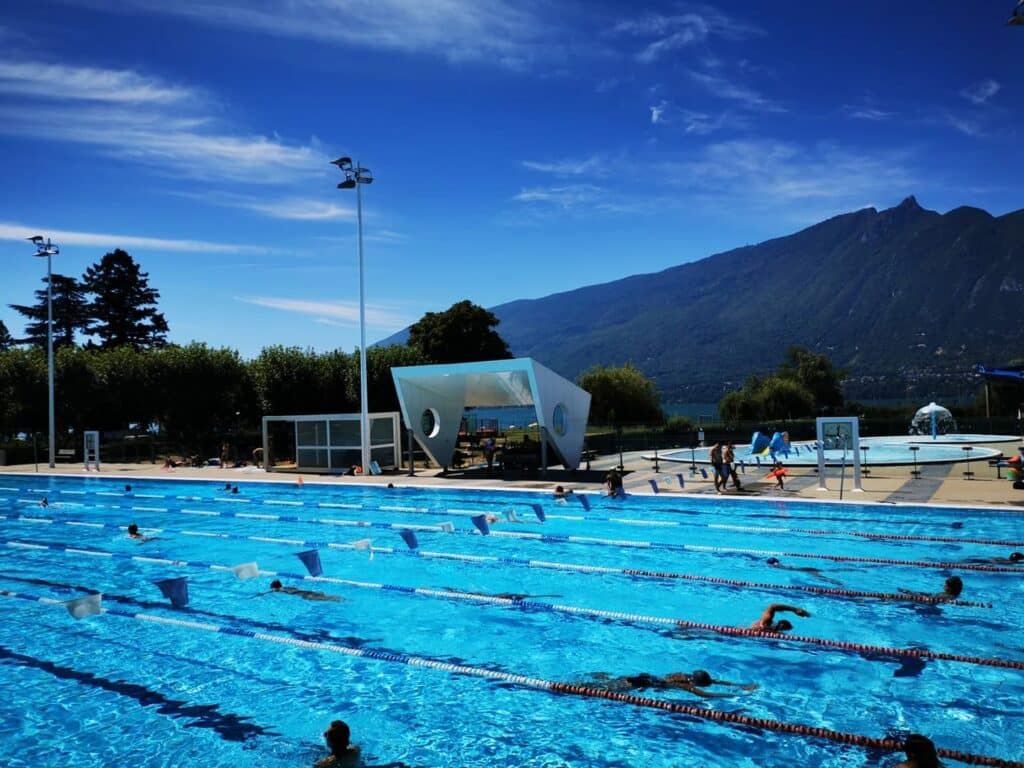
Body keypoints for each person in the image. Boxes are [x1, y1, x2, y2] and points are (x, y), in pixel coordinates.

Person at [583, 669, 757, 699]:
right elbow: (706, 694)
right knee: (596, 689)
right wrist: (733, 694)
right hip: (636, 684)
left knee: (606, 682)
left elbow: (713, 681)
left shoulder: (685, 675)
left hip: (640, 677)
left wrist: (739, 685)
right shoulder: (685, 685)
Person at [766, 557, 843, 586]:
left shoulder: (777, 566)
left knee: (822, 578)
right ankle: (842, 572)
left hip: (805, 570)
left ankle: (838, 583)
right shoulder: (781, 564)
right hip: (805, 569)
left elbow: (776, 565)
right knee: (825, 572)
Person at [268, 579, 342, 603]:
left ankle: (340, 599)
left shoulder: (282, 590)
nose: (273, 590)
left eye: (273, 589)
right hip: (307, 592)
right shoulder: (287, 587)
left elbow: (274, 591)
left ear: (276, 588)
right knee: (326, 597)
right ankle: (340, 598)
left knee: (326, 599)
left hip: (306, 595)